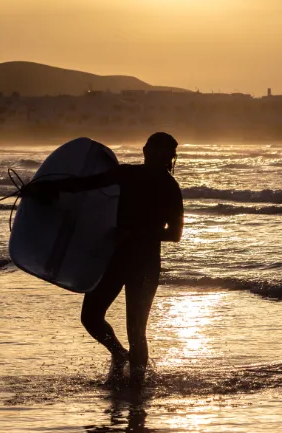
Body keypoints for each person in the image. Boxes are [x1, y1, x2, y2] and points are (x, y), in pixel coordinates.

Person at [22, 132, 184, 387]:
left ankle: (137, 386)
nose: (150, 153)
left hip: (144, 265)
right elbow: (84, 185)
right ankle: (119, 355)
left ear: (167, 157)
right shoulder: (127, 173)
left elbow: (175, 234)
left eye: (157, 151)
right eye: (149, 148)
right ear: (144, 150)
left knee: (136, 331)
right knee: (91, 316)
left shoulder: (170, 188)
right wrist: (44, 188)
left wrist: (134, 232)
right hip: (116, 260)